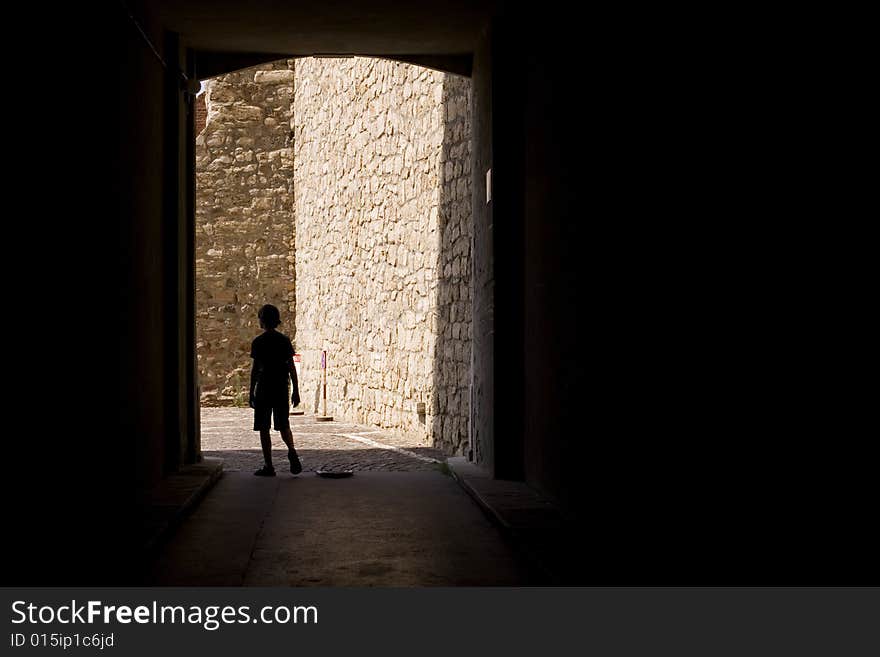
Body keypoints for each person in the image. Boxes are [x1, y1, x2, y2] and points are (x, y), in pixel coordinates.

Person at [249, 304, 302, 476]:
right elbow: (291, 367)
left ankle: (269, 465)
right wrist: (296, 390)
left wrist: (251, 391)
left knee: (264, 427)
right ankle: (292, 450)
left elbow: (255, 370)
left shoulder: (258, 342)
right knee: (283, 424)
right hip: (280, 386)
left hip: (264, 387)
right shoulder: (284, 341)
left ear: (262, 321)